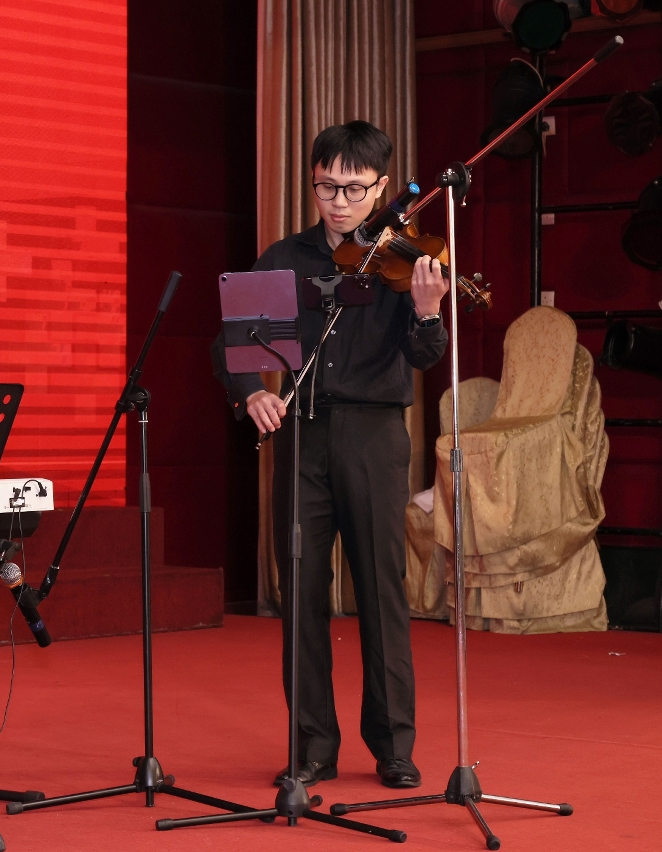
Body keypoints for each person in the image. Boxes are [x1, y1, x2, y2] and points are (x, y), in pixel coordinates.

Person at [214, 121, 449, 789]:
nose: (339, 201)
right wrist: (251, 395)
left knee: (381, 591)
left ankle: (394, 746)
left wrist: (428, 312)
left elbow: (424, 356)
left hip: (375, 437)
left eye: (354, 188)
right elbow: (232, 341)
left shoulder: (403, 258)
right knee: (301, 594)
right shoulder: (283, 258)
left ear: (381, 187)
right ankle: (313, 745)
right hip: (302, 435)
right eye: (326, 187)